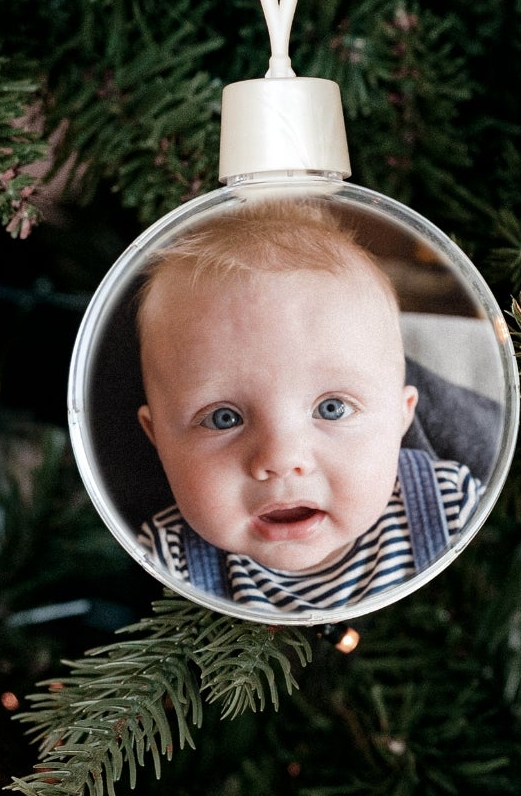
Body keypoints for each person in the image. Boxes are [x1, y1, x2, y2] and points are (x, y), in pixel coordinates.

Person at [132, 198, 482, 613]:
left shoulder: (449, 505)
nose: (281, 460)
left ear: (401, 416)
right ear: (158, 437)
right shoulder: (171, 556)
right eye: (224, 418)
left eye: (332, 408)